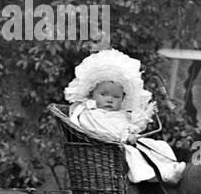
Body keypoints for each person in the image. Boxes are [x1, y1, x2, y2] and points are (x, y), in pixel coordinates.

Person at [64, 48, 185, 184]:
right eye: (103, 94)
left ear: (122, 99)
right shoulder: (90, 113)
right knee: (137, 157)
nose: (109, 100)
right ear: (92, 93)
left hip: (124, 143)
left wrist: (145, 115)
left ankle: (170, 169)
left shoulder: (118, 114)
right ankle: (163, 176)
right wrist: (126, 136)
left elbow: (131, 127)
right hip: (108, 150)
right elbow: (104, 130)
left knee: (156, 146)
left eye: (116, 97)